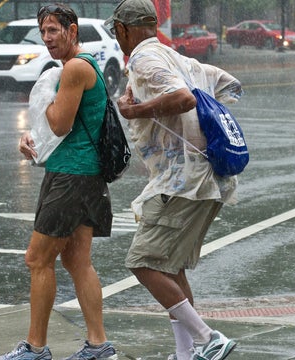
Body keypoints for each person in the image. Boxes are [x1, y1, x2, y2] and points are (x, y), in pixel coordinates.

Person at [105, 1, 242, 359]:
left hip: (183, 181)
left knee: (144, 262)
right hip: (207, 177)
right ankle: (186, 353)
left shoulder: (145, 60)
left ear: (124, 29)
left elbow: (182, 98)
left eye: (116, 31)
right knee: (170, 266)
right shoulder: (180, 58)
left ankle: (208, 338)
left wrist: (137, 110)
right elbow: (229, 86)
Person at [0, 4, 117, 360]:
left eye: (53, 31)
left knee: (37, 259)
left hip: (72, 177)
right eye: (43, 32)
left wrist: (43, 97)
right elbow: (62, 128)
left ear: (72, 31)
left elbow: (59, 124)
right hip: (80, 174)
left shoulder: (75, 68)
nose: (47, 39)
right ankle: (98, 344)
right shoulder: (74, 67)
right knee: (78, 261)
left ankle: (35, 348)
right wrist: (30, 137)